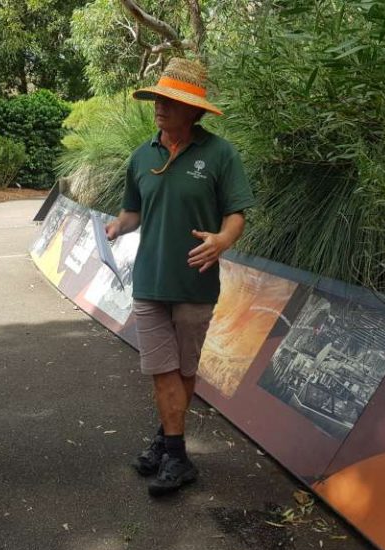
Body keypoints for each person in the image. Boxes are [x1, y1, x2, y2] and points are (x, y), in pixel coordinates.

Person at [105, 58, 255, 497]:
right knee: (162, 369)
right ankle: (176, 455)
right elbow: (133, 210)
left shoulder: (220, 154)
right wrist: (118, 225)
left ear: (193, 110)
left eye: (169, 102)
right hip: (150, 280)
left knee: (184, 369)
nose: (159, 107)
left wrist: (221, 241)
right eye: (157, 99)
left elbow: (236, 213)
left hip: (195, 281)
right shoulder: (141, 156)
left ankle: (164, 441)